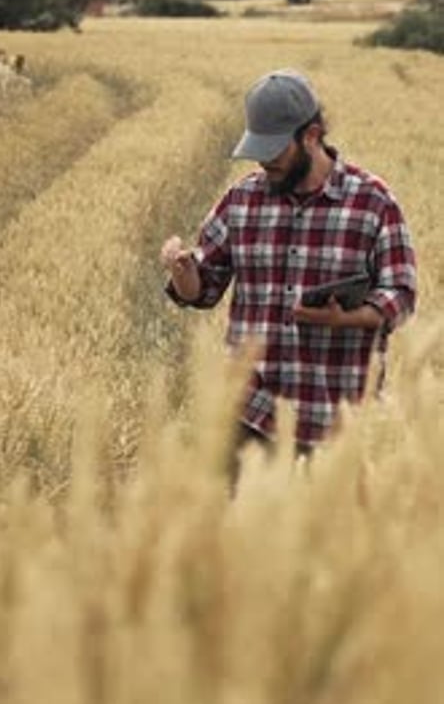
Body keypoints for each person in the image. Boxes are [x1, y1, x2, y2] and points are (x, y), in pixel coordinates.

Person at [160, 69, 417, 474]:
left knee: (331, 539)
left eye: (275, 150)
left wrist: (347, 318)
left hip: (337, 422)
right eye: (258, 149)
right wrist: (183, 271)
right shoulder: (242, 199)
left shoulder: (373, 202)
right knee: (235, 537)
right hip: (249, 417)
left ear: (311, 136)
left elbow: (401, 294)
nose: (265, 161)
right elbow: (202, 289)